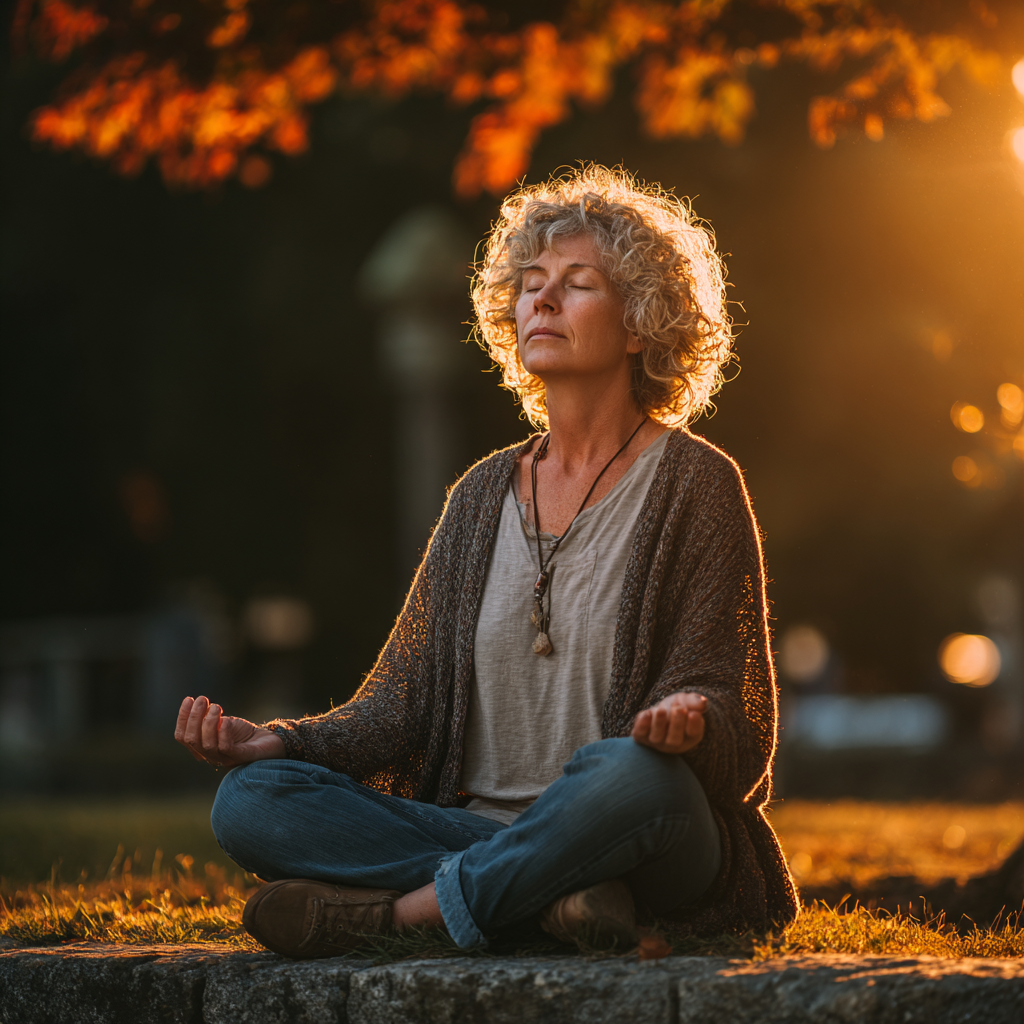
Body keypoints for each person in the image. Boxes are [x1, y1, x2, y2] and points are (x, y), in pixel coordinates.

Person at [174, 164, 798, 959]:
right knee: (250, 802)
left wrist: (688, 724)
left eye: (577, 284)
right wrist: (280, 745)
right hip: (472, 824)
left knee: (631, 775)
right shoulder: (478, 497)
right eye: (532, 282)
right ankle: (549, 901)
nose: (542, 300)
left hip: (635, 826)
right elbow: (398, 705)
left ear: (641, 322)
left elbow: (730, 704)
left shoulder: (698, 484)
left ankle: (401, 917)